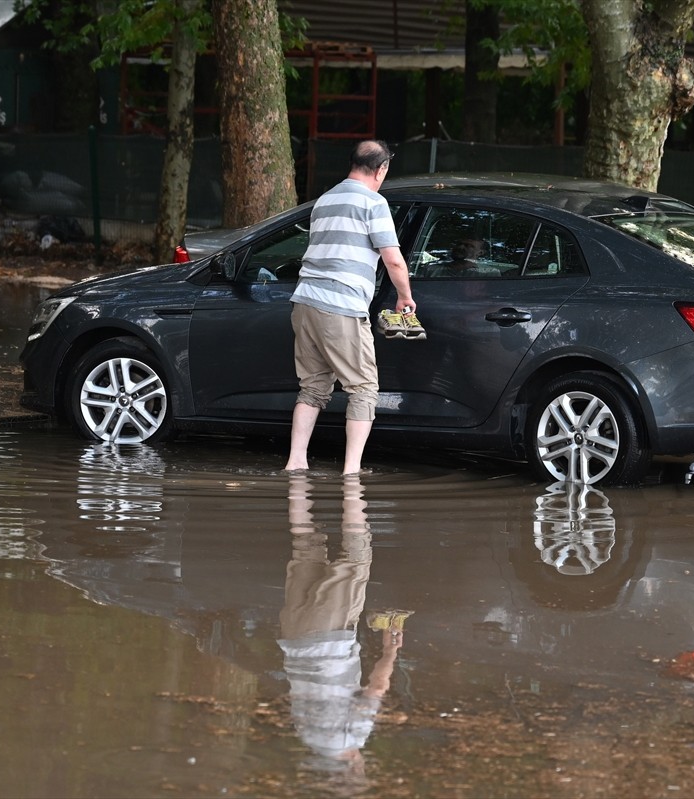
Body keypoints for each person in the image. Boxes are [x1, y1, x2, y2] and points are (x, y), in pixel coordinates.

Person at [284, 139, 416, 475]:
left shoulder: (324, 200)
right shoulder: (373, 203)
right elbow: (393, 260)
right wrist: (404, 297)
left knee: (312, 387)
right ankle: (352, 471)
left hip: (305, 302)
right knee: (364, 388)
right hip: (340, 305)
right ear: (381, 169)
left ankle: (295, 462)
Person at [278, 473, 405, 774]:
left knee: (357, 555)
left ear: (355, 770)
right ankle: (299, 479)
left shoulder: (351, 739)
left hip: (329, 638)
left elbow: (376, 688)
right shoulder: (306, 735)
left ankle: (352, 484)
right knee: (304, 544)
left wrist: (390, 652)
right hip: (292, 636)